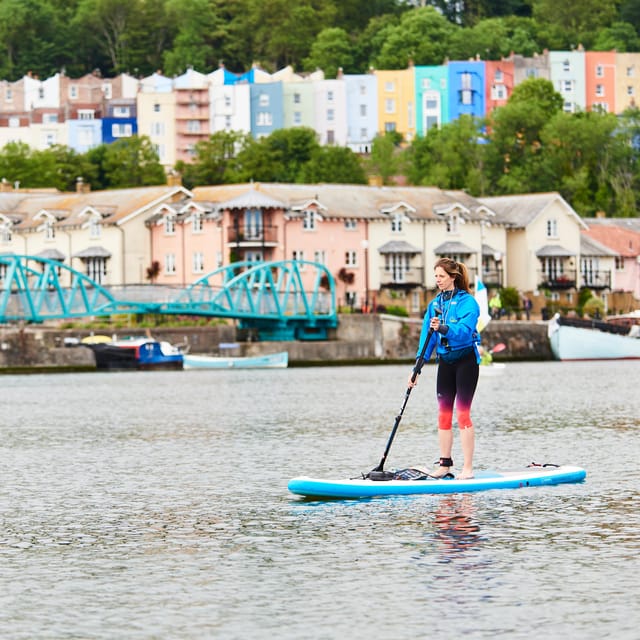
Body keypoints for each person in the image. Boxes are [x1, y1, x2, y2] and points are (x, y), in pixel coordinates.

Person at [409, 258, 481, 480]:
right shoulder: (434, 306)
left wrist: (443, 327)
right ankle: (445, 465)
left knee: (462, 414)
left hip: (466, 362)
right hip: (446, 363)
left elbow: (464, 330)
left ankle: (467, 468)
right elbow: (426, 340)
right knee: (443, 415)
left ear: (453, 277)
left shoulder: (468, 303)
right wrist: (416, 369)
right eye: (436, 276)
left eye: (441, 276)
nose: (438, 280)